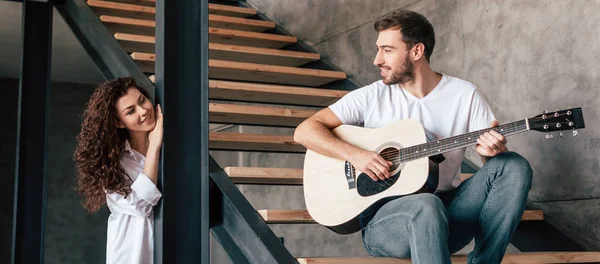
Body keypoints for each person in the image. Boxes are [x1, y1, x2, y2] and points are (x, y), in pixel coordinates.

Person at [294, 9, 532, 264]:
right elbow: (305, 130)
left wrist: (489, 154)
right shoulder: (371, 96)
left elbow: (496, 170)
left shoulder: (464, 95)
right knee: (425, 205)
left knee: (513, 165)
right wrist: (357, 155)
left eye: (387, 50)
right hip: (387, 225)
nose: (377, 60)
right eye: (379, 49)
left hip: (449, 214)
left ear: (416, 51)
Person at [74, 77, 163, 264]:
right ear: (120, 123)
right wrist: (154, 145)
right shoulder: (112, 164)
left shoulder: (171, 149)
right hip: (131, 255)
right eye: (131, 111)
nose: (144, 110)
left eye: (142, 100)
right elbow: (141, 206)